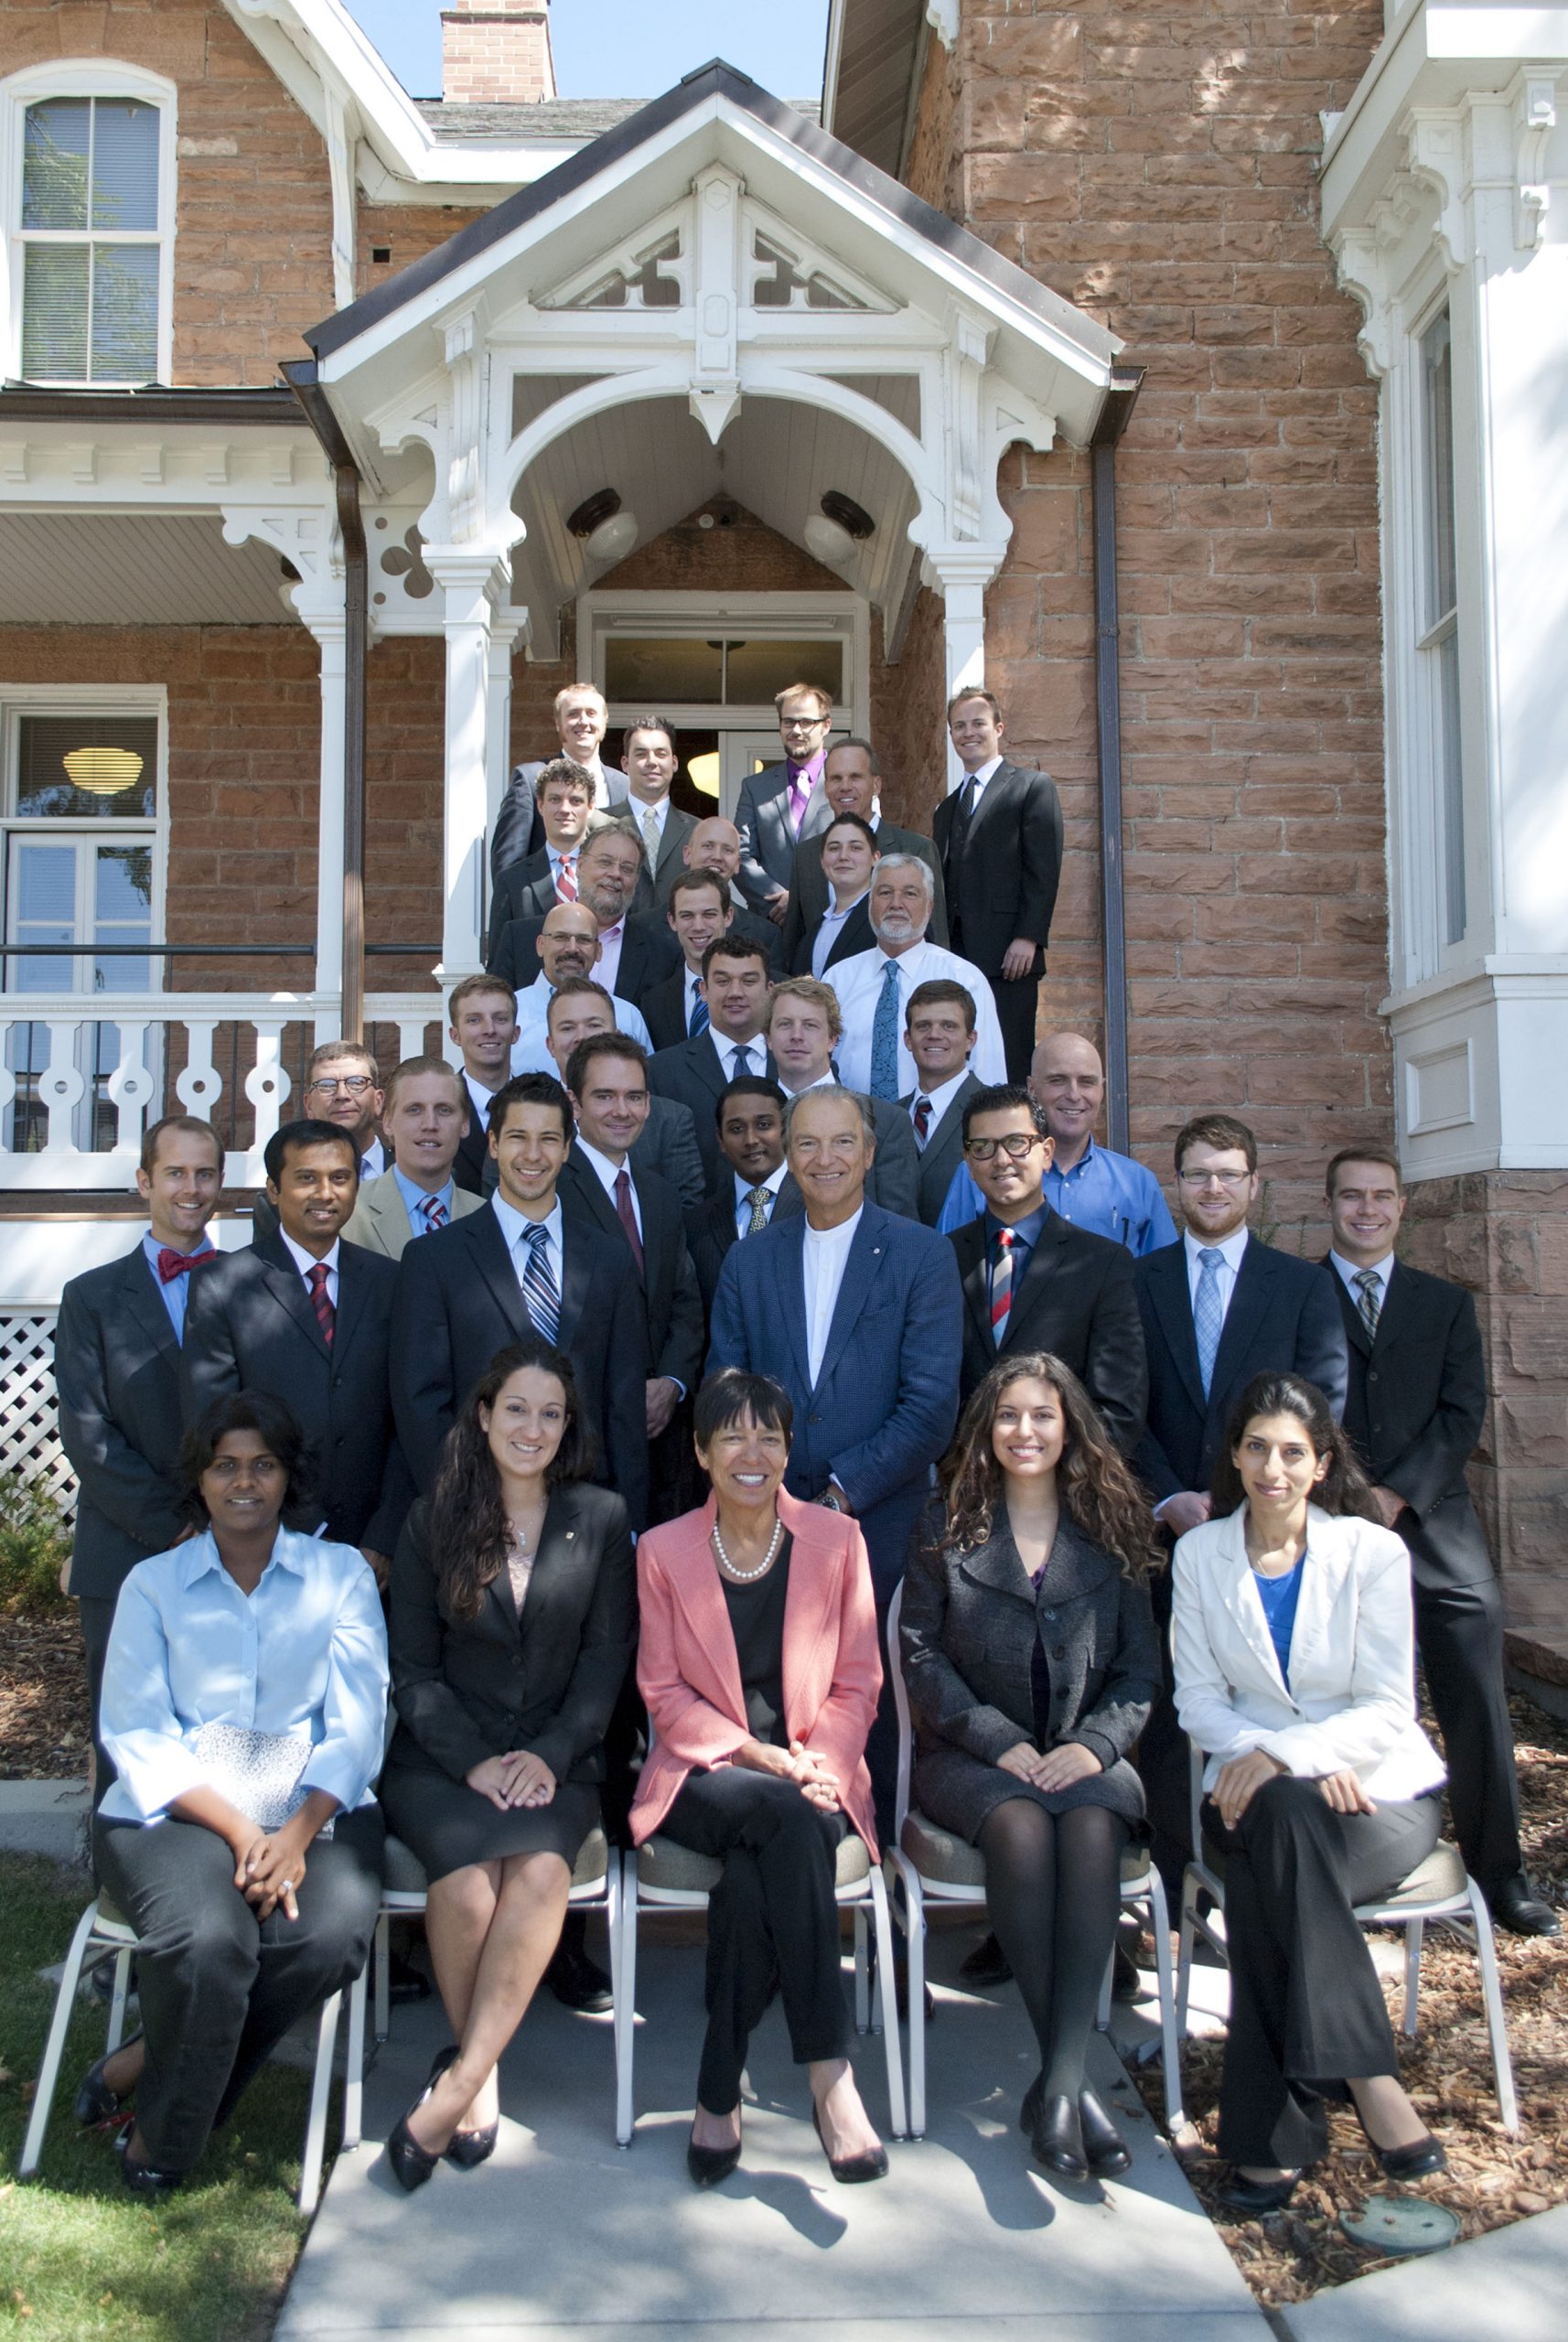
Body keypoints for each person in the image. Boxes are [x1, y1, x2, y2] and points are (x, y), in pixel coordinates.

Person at [81, 1391, 387, 2196]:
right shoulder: (154, 1585)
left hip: (310, 1805)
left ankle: (143, 2062)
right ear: (201, 1479)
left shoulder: (341, 1573)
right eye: (226, 1466)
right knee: (211, 1942)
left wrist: (291, 1835)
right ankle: (163, 2147)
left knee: (329, 1937)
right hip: (177, 1808)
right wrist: (243, 1834)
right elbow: (137, 1734)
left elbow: (358, 1722)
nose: (245, 1482)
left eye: (264, 1465)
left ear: (289, 1478)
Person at [1172, 1371, 1450, 2210]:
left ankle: (1269, 2137)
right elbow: (1197, 1699)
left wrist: (1285, 1755)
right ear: (1234, 1455)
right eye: (1256, 1448)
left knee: (1266, 1871)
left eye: (1293, 1452)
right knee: (1280, 1822)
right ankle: (1364, 2074)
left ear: (1322, 1465)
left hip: (1379, 1801)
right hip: (1253, 1797)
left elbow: (1385, 1708)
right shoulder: (1200, 1554)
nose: (1273, 1469)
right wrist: (1277, 1763)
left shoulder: (1372, 1554)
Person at [378, 1342, 636, 2188]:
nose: (533, 1428)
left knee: (536, 1875)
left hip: (558, 1761)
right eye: (516, 1409)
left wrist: (551, 1754)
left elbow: (605, 1666)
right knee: (463, 1882)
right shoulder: (431, 1519)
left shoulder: (600, 1519)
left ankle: (453, 2084)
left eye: (551, 1413)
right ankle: (478, 2083)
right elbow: (412, 1673)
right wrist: (478, 1761)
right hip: (445, 1761)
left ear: (570, 1427)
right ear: (483, 1415)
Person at [901, 1354, 1160, 2180]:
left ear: (1069, 1425)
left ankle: (1057, 2086)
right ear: (987, 1427)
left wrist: (1094, 1746)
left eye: (1042, 1416)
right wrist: (994, 1737)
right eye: (1009, 1415)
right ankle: (1070, 2084)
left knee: (1089, 1830)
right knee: (1018, 1830)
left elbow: (1141, 1673)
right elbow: (919, 1650)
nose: (1025, 1431)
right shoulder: (947, 1521)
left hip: (1088, 1751)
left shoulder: (1114, 1525)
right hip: (972, 1756)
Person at [632, 1368, 887, 2187]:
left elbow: (859, 1682)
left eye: (771, 1436)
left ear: (788, 1450)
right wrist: (755, 1755)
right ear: (702, 1452)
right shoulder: (662, 1550)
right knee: (784, 1821)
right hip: (706, 1774)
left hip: (813, 1772)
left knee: (758, 1869)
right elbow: (664, 1694)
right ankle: (829, 2072)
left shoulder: (838, 1542)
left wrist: (823, 1761)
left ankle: (718, 2088)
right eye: (733, 1435)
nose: (754, 1452)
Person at [707, 1084, 962, 1824]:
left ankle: (868, 1853)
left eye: (842, 1142)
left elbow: (929, 1408)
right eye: (808, 1144)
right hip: (765, 1522)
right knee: (770, 1697)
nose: (826, 1159)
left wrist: (841, 1495)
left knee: (867, 1697)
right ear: (787, 1157)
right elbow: (727, 1391)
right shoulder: (750, 1261)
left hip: (878, 1523)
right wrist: (771, 1495)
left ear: (871, 1152)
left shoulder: (921, 1255)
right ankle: (787, 1844)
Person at [1324, 1147, 1557, 1937]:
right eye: (1352, 1197)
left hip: (1436, 1532)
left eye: (1381, 1197)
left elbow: (1463, 1412)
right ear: (1330, 1205)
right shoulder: (1296, 1294)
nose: (1367, 1210)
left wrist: (1398, 1493)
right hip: (1337, 1529)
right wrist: (1351, 1496)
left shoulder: (1445, 1303)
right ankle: (1358, 1859)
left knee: (1476, 1704)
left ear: (1401, 1208)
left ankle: (1503, 1873)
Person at [1133, 1112, 1348, 1890]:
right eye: (1197, 1173)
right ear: (1177, 1185)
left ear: (1255, 1185)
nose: (1212, 1187)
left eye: (1228, 1173)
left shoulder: (1302, 1287)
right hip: (1162, 1532)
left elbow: (1318, 1408)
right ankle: (1165, 1877)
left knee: (1254, 1703)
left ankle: (1244, 1874)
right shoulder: (1139, 1280)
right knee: (1161, 1710)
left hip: (1268, 1535)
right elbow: (1124, 1407)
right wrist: (1171, 1498)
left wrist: (1242, 1500)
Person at [390, 1072, 649, 1534]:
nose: (533, 1155)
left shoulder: (610, 1259)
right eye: (517, 1138)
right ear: (492, 1144)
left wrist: (628, 1522)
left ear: (568, 1148)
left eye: (549, 1139)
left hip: (586, 1514)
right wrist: (456, 1505)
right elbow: (421, 1401)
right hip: (475, 1511)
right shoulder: (434, 1259)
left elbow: (624, 1403)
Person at [55, 1114, 225, 1807]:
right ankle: (120, 1882)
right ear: (144, 1182)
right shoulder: (91, 1297)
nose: (191, 1188)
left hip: (232, 1546)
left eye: (205, 1173)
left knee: (218, 1724)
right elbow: (88, 1434)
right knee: (127, 1730)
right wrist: (178, 1525)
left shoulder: (255, 1284)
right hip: (127, 1546)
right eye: (176, 1173)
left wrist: (228, 1524)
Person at [182, 1118, 410, 1581]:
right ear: (273, 1188)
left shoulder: (392, 1282)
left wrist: (382, 1536)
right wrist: (304, 1530)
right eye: (306, 1178)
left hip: (376, 1549)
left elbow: (408, 1418)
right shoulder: (221, 1286)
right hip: (270, 1543)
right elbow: (215, 1423)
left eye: (340, 1178)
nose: (325, 1193)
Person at [948, 1086, 1146, 1450]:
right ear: (968, 1162)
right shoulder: (942, 1259)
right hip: (964, 1488)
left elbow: (1119, 1407)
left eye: (1017, 1143)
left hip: (1064, 1489)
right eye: (983, 1147)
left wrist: (1039, 1473)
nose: (1002, 1159)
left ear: (1046, 1152)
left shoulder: (1103, 1264)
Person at [559, 1030, 704, 1510]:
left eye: (634, 1097)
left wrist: (671, 1383)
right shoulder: (552, 1190)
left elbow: (683, 1299)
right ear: (574, 1102)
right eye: (605, 1096)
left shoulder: (658, 1192)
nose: (622, 1110)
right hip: (584, 1440)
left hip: (664, 1439)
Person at [937, 1033, 1178, 1252]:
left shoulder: (1137, 1183)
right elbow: (948, 1264)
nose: (1074, 1095)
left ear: (1102, 1089)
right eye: (1058, 1080)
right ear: (1032, 1089)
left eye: (1086, 1082)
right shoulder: (984, 1172)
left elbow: (1161, 1278)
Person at [933, 687, 1063, 1081]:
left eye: (978, 723)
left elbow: (1044, 868)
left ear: (999, 728)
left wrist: (1028, 936)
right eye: (959, 726)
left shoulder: (1031, 787)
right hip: (955, 958)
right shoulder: (946, 809)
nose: (968, 733)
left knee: (1007, 1063)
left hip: (1009, 959)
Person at [827, 856, 1005, 1100]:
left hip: (935, 1129)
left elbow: (988, 1071)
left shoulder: (964, 978)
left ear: (929, 907)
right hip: (849, 1126)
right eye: (885, 892)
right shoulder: (837, 979)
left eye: (910, 894)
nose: (896, 904)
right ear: (870, 904)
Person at [542, 978, 705, 1211]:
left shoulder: (669, 1121)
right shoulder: (527, 1123)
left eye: (594, 1025)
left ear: (616, 1034)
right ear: (550, 1044)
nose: (582, 1037)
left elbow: (686, 1215)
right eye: (568, 1028)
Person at [782, 737, 947, 966]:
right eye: (836, 778)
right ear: (826, 787)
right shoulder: (807, 854)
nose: (845, 786)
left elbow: (936, 940)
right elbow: (793, 941)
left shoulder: (916, 849)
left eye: (855, 777)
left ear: (876, 785)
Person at [766, 975, 920, 1219]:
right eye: (785, 1024)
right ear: (768, 1038)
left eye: (810, 1025)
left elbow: (901, 1231)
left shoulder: (887, 1122)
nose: (796, 1035)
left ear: (833, 1039)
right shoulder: (747, 1122)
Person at [648, 936, 777, 1192]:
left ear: (770, 990)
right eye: (722, 981)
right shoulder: (661, 1072)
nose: (735, 992)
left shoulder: (798, 1061)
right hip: (701, 1222)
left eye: (749, 981)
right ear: (703, 991)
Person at [345, 1057, 485, 1257]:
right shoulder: (350, 1212)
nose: (430, 1124)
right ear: (388, 1122)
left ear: (464, 1124)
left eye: (444, 1110)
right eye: (414, 1110)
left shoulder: (486, 1216)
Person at [687, 1077, 802, 1314]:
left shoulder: (818, 1207)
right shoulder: (696, 1224)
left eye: (763, 1125)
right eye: (736, 1129)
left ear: (786, 1130)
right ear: (720, 1139)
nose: (750, 1140)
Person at [492, 899, 653, 1069]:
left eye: (583, 940)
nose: (572, 948)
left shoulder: (627, 1016)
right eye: (561, 937)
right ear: (541, 945)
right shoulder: (510, 1013)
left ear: (598, 951)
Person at [491, 682, 624, 879]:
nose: (583, 721)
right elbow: (507, 864)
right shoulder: (530, 779)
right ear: (557, 723)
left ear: (604, 721)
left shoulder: (624, 785)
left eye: (591, 713)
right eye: (573, 714)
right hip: (548, 905)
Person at [734, 682, 837, 921]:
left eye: (806, 722)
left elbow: (859, 852)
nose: (796, 730)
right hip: (771, 922)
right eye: (788, 722)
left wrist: (803, 900)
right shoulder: (755, 788)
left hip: (831, 918)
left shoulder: (844, 782)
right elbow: (741, 855)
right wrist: (779, 899)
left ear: (826, 726)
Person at [899, 980, 985, 1226]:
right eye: (923, 1026)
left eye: (949, 1026)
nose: (934, 1035)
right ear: (908, 1039)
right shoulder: (886, 1117)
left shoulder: (992, 1112)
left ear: (970, 1039)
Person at [488, 758, 600, 937]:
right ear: (540, 805)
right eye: (555, 799)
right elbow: (499, 960)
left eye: (575, 801)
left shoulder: (611, 875)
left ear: (591, 807)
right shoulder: (512, 882)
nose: (564, 809)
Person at [679, 815, 789, 972]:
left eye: (727, 850)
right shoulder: (649, 928)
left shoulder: (766, 935)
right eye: (708, 846)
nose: (717, 857)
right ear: (687, 854)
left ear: (737, 864)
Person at [447, 976, 521, 1195]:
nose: (489, 1029)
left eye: (500, 1019)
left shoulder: (540, 1103)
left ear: (515, 1032)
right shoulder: (439, 1107)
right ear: (455, 1035)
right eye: (474, 1020)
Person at [789, 811, 878, 977]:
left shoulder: (885, 917)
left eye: (855, 848)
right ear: (822, 861)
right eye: (834, 848)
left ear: (875, 858)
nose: (843, 856)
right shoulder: (814, 931)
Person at [618, 715, 697, 902]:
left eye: (661, 754)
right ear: (625, 764)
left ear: (674, 763)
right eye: (640, 754)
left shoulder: (697, 830)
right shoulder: (599, 823)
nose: (651, 761)